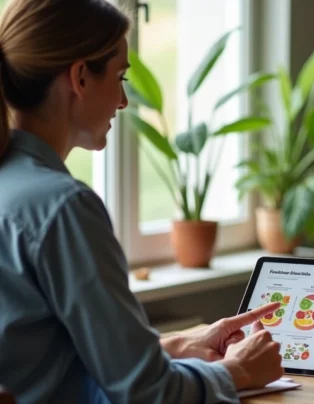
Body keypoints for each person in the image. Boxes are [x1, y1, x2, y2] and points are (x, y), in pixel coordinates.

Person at [0, 1, 282, 402]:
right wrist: (237, 371)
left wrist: (176, 343)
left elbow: (45, 362)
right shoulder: (62, 208)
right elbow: (148, 395)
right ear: (80, 77)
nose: (123, 101)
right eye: (121, 78)